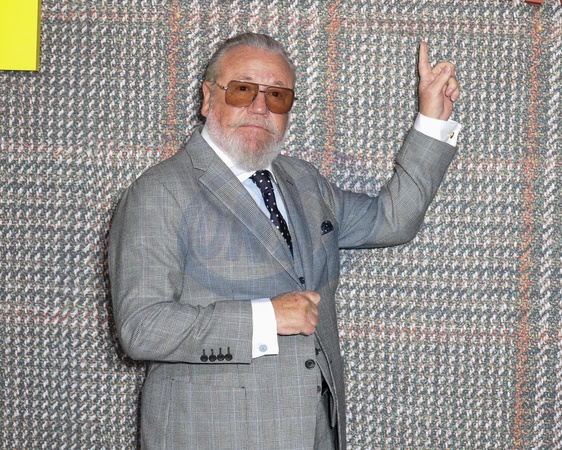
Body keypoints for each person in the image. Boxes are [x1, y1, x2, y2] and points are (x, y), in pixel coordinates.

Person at [108, 32, 461, 449]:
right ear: (207, 98)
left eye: (277, 96)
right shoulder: (158, 192)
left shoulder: (303, 181)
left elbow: (393, 220)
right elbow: (141, 327)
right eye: (242, 90)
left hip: (315, 432)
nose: (260, 107)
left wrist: (432, 121)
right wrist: (266, 318)